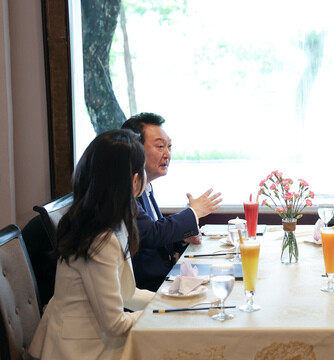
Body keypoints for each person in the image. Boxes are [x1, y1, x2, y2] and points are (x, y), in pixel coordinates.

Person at [29, 130, 149, 359]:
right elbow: (115, 324)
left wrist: (167, 300)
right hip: (76, 351)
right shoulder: (100, 239)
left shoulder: (104, 221)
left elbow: (124, 294)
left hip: (89, 341)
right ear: (134, 181)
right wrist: (158, 313)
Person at [121, 112, 222, 291]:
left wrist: (184, 237)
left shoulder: (146, 187)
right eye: (160, 146)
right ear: (134, 149)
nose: (167, 154)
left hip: (162, 282)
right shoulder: (123, 192)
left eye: (170, 147)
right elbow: (149, 234)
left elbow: (157, 233)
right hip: (146, 289)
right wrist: (193, 213)